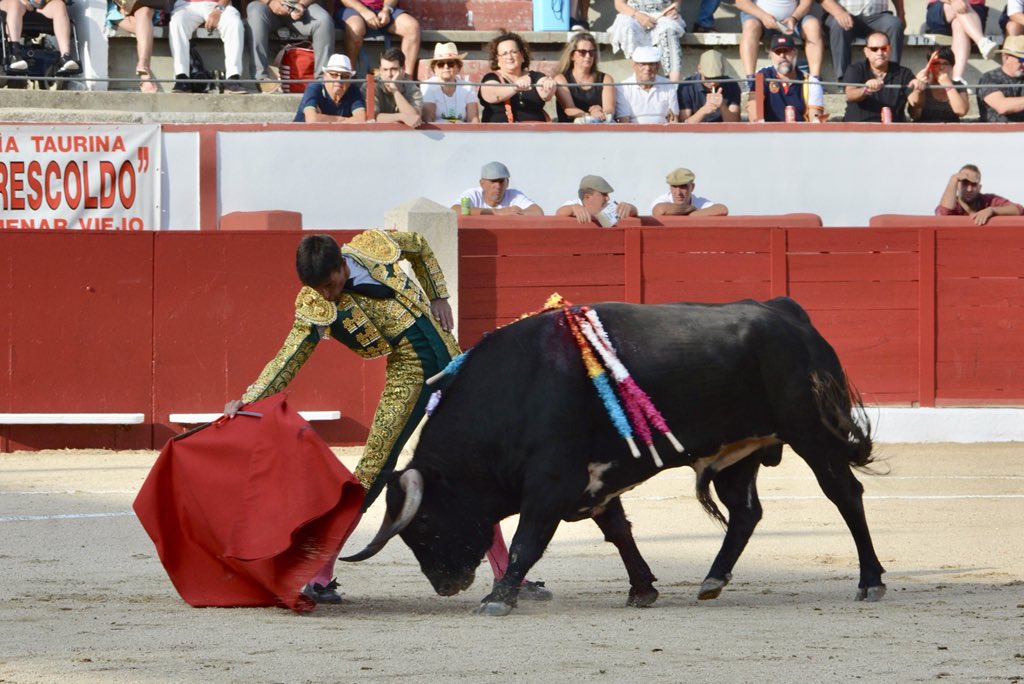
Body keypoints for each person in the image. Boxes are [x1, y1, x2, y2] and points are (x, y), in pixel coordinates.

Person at [223, 230, 551, 603]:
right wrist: (249, 398)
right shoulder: (315, 303)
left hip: (454, 366)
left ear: (342, 264)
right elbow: (289, 356)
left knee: (478, 468)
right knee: (371, 472)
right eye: (320, 290)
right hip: (408, 378)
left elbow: (419, 245)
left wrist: (439, 294)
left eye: (331, 285)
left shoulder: (372, 248)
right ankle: (319, 575)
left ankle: (509, 577)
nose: (328, 296)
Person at [246, 0, 335, 93]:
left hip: (302, 7)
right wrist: (270, 2)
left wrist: (302, 4)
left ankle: (322, 81)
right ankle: (261, 79)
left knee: (324, 20)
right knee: (255, 12)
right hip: (267, 7)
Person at [735, 0, 825, 87]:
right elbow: (741, 2)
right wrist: (763, 16)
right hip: (759, 18)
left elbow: (806, 3)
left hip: (793, 20)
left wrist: (794, 18)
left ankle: (815, 81)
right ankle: (751, 80)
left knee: (813, 25)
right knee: (750, 25)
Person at [843, 32, 923, 122]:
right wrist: (866, 90)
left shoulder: (904, 73)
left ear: (890, 50)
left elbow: (915, 103)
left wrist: (918, 89)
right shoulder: (855, 69)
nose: (880, 53)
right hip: (859, 129)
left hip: (893, 131)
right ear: (866, 52)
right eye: (874, 49)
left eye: (884, 48)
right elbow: (850, 94)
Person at [478, 31, 557, 123]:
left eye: (514, 52)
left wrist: (549, 85)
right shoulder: (491, 77)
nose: (509, 57)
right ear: (497, 60)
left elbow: (545, 95)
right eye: (504, 54)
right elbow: (492, 95)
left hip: (535, 133)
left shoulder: (536, 76)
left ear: (522, 55)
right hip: (499, 133)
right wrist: (515, 88)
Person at [169, 0, 246, 93]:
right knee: (177, 23)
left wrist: (218, 10)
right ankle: (182, 77)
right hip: (187, 5)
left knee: (234, 23)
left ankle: (233, 78)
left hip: (219, 5)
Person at [820, 0, 905, 82]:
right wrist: (839, 12)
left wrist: (901, 14)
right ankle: (844, 81)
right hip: (844, 14)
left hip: (878, 16)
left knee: (894, 25)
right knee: (839, 25)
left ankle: (892, 78)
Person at [748, 34, 825, 122]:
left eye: (786, 51)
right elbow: (753, 105)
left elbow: (815, 116)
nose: (782, 55)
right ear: (770, 55)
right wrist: (757, 125)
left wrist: (816, 120)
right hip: (769, 133)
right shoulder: (762, 76)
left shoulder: (811, 82)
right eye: (778, 52)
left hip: (801, 133)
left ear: (795, 52)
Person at [336, 0, 420, 78]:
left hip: (384, 9)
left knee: (412, 27)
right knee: (355, 28)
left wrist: (386, 9)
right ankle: (349, 77)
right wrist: (364, 11)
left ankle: (406, 80)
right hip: (353, 8)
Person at [608, 0, 685, 81]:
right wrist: (637, 14)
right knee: (628, 28)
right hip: (633, 15)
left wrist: (674, 8)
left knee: (669, 32)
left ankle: (674, 84)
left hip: (662, 15)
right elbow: (619, 4)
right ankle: (638, 79)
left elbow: (677, 1)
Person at [925, 0, 999, 82]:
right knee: (961, 6)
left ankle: (956, 78)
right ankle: (981, 41)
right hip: (942, 9)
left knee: (959, 22)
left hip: (972, 12)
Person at [0, 0, 79, 75]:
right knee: (15, 4)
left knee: (59, 6)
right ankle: (15, 55)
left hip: (41, 5)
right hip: (11, 3)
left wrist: (41, 3)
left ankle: (65, 57)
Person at [554, 31, 615, 123]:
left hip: (599, 129)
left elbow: (609, 109)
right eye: (582, 52)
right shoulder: (561, 79)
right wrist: (591, 115)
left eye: (591, 52)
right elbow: (569, 109)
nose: (588, 56)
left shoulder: (606, 79)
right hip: (569, 131)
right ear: (572, 56)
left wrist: (600, 111)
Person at [935, 164, 1023, 225]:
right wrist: (953, 179)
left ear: (979, 188)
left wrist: (992, 210)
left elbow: (1019, 210)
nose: (969, 189)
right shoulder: (953, 204)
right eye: (965, 183)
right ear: (957, 185)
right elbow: (943, 213)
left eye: (973, 184)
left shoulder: (988, 200)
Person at [293, 53, 367, 122]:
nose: (339, 80)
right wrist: (344, 120)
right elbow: (312, 119)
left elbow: (361, 119)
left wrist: (322, 118)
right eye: (334, 75)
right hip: (302, 135)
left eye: (345, 76)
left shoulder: (353, 90)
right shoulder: (314, 88)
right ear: (325, 76)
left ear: (350, 79)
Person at [105, 0, 160, 92]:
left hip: (143, 5)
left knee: (145, 11)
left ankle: (143, 67)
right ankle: (144, 73)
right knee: (144, 29)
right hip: (118, 8)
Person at [451, 161, 544, 216]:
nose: (498, 186)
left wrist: (518, 212)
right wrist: (497, 212)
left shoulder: (514, 195)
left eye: (501, 181)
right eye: (493, 181)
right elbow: (455, 210)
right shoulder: (472, 194)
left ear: (507, 183)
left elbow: (538, 212)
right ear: (482, 183)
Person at [614, 45, 678, 123]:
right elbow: (624, 122)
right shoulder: (623, 88)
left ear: (657, 67)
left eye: (651, 64)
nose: (647, 68)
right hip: (633, 133)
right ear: (634, 66)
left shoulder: (668, 85)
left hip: (663, 133)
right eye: (642, 64)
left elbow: (673, 120)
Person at [420, 42, 479, 123]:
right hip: (437, 132)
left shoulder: (468, 87)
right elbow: (428, 118)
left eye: (450, 63)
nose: (446, 67)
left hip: (463, 133)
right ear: (435, 69)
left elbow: (473, 119)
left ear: (458, 68)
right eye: (440, 64)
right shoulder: (428, 85)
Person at [677, 49, 742, 123]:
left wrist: (722, 106)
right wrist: (704, 110)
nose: (713, 83)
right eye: (708, 78)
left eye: (717, 78)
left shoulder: (731, 84)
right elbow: (684, 124)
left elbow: (735, 123)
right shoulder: (687, 86)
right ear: (699, 69)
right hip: (696, 133)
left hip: (723, 132)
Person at [364, 46, 422, 127]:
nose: (389, 75)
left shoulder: (411, 87)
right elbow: (372, 117)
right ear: (380, 70)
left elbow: (414, 118)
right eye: (385, 70)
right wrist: (401, 116)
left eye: (394, 69)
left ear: (403, 69)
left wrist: (394, 90)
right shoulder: (370, 86)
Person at [908, 47, 970, 122]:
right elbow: (915, 115)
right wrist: (919, 89)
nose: (941, 67)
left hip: (950, 131)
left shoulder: (958, 85)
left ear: (952, 66)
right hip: (925, 130)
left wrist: (949, 86)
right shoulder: (924, 84)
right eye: (936, 63)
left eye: (945, 63)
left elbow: (961, 111)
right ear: (929, 66)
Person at [556, 174, 638, 225]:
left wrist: (629, 207)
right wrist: (573, 208)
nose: (608, 198)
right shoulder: (575, 203)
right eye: (604, 194)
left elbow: (634, 212)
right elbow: (560, 213)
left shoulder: (606, 208)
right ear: (587, 197)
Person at [977, 35, 1024, 122]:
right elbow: (1002, 106)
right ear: (1006, 58)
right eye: (1022, 60)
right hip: (996, 133)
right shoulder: (989, 78)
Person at [650, 167, 729, 217]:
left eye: (683, 186)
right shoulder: (664, 199)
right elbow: (660, 210)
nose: (678, 192)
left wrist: (687, 214)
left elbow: (722, 209)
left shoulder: (699, 202)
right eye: (674, 187)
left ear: (692, 187)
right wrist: (692, 209)